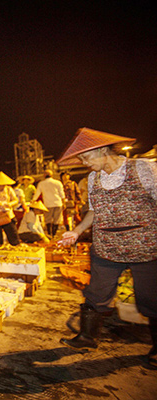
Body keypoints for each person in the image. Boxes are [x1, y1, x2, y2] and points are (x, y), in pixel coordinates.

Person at [56, 127, 157, 370]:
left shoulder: (143, 168)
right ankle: (88, 337)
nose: (83, 162)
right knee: (95, 294)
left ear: (102, 150)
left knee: (152, 299)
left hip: (145, 248)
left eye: (85, 157)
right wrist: (77, 231)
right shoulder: (93, 179)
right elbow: (94, 211)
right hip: (107, 248)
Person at [32, 169, 65, 238]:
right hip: (57, 203)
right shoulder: (58, 182)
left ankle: (49, 234)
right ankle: (54, 233)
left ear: (44, 175)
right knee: (57, 219)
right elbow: (62, 194)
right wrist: (63, 202)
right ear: (52, 175)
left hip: (48, 204)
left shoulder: (41, 183)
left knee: (48, 219)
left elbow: (37, 193)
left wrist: (33, 200)